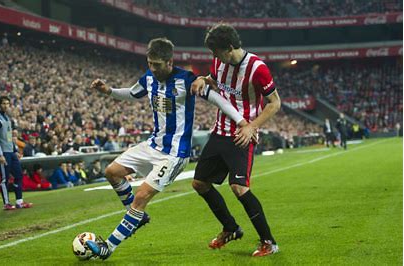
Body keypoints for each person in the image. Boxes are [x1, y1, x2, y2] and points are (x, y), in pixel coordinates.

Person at [86, 37, 249, 260]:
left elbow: (219, 100)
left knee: (141, 196)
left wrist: (242, 123)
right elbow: (133, 93)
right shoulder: (149, 78)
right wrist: (109, 91)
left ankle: (108, 247)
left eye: (157, 64)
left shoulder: (187, 80)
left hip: (174, 154)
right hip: (153, 144)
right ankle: (137, 217)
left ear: (170, 62)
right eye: (149, 63)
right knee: (112, 172)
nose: (152, 68)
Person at [190, 23, 280, 257]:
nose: (214, 56)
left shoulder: (257, 68)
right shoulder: (220, 62)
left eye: (216, 51)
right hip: (220, 131)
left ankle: (269, 242)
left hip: (242, 135)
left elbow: (275, 103)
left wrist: (252, 126)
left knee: (239, 187)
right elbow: (215, 81)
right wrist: (202, 78)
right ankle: (230, 228)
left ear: (229, 47)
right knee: (199, 183)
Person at [0, 96, 33, 210]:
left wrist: (15, 150)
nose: (6, 105)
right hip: (3, 152)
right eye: (4, 103)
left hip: (11, 152)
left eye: (7, 103)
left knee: (18, 175)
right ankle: (6, 203)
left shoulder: (7, 119)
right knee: (4, 179)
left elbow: (10, 137)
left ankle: (19, 201)